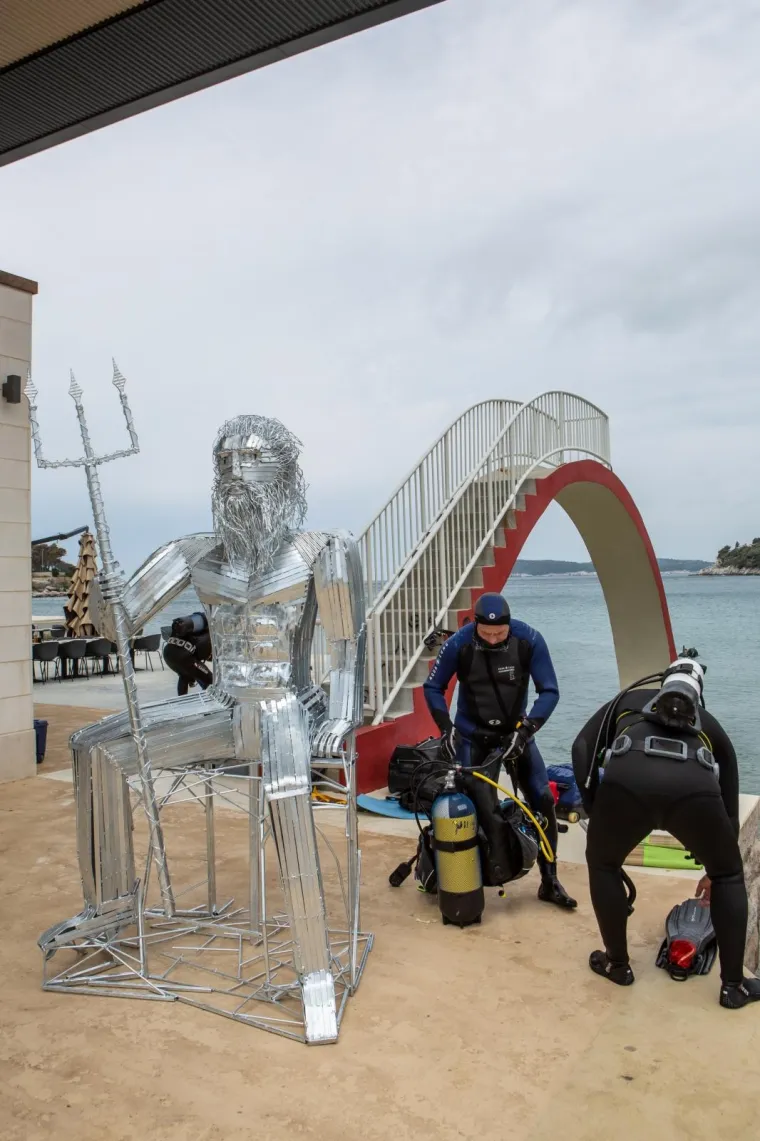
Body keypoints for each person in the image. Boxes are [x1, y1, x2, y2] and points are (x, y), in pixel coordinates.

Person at [572, 658, 760, 1010]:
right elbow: (730, 806)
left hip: (625, 787)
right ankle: (733, 987)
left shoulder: (625, 702)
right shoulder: (712, 727)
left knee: (604, 865)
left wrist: (596, 808)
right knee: (730, 875)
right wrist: (715, 868)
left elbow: (581, 748)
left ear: (661, 683)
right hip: (694, 794)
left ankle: (617, 964)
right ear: (698, 695)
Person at [422, 592, 576, 909]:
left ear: (509, 626)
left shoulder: (529, 639)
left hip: (515, 734)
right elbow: (433, 687)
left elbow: (549, 691)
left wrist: (528, 729)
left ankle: (549, 880)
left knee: (543, 800)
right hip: (472, 734)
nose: (493, 639)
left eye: (500, 634)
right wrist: (445, 728)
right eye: (486, 633)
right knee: (476, 805)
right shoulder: (459, 644)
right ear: (476, 625)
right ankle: (467, 874)